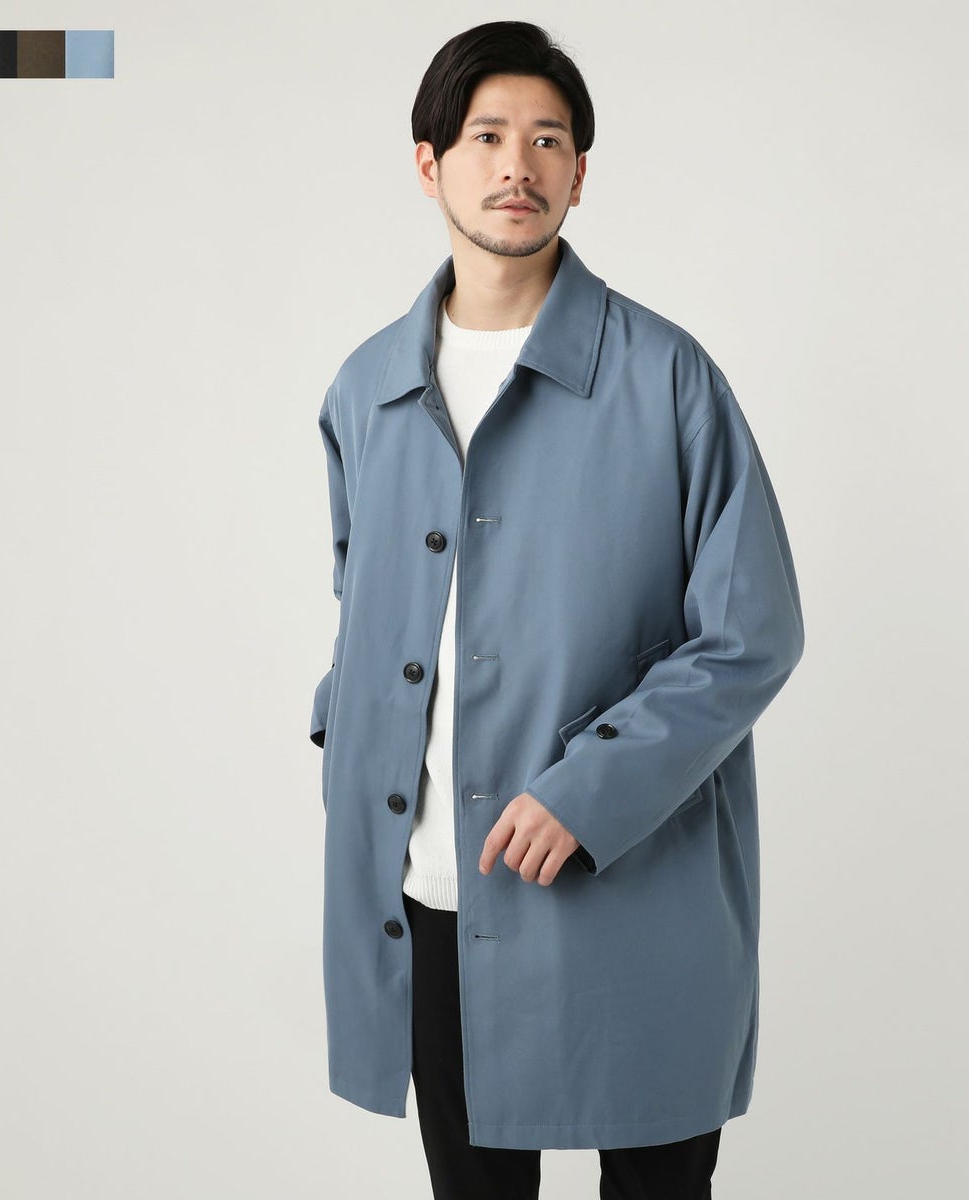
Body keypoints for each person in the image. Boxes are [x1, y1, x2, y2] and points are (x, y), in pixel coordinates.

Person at [309, 20, 805, 1200]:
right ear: (428, 163)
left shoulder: (668, 377)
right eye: (486, 136)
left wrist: (589, 787)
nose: (516, 165)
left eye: (547, 140)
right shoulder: (366, 387)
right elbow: (363, 604)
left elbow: (751, 634)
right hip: (435, 890)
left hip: (634, 890)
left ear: (581, 174)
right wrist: (347, 729)